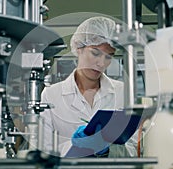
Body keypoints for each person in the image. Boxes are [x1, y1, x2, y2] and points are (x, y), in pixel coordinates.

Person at [40, 16, 137, 157]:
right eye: (95, 53)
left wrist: (107, 149)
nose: (101, 63)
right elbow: (44, 150)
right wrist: (74, 145)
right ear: (79, 48)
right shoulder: (51, 94)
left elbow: (134, 148)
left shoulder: (122, 92)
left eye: (108, 56)